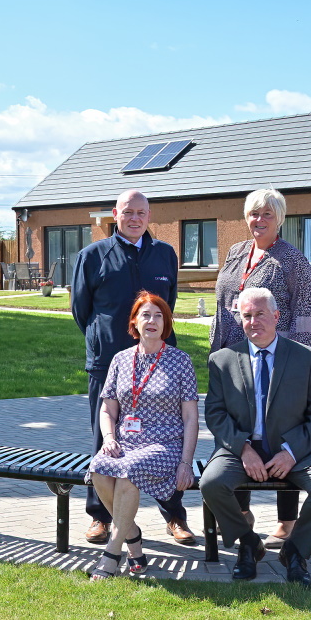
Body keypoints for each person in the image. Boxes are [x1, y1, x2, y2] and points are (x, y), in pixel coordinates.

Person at [71, 188, 196, 547]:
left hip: (159, 364)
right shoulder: (92, 256)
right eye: (128, 212)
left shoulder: (164, 255)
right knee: (105, 437)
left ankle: (174, 515)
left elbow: (165, 305)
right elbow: (82, 311)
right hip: (110, 364)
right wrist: (106, 341)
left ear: (149, 216)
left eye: (141, 212)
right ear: (116, 214)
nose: (135, 218)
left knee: (166, 436)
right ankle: (100, 516)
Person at [200, 287, 311, 586]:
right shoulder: (223, 360)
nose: (253, 322)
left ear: (276, 316)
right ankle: (249, 543)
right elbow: (215, 414)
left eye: (260, 314)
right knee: (211, 483)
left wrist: (291, 451)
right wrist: (243, 449)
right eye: (247, 316)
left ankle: (294, 550)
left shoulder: (305, 357)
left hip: (298, 450)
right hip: (240, 449)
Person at [208, 187, 311, 549]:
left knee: (280, 432)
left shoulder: (293, 261)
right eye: (254, 214)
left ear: (280, 219)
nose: (259, 220)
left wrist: (303, 362)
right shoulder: (236, 252)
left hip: (280, 363)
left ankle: (287, 523)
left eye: (266, 215)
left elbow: (306, 315)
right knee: (238, 433)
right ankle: (241, 515)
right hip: (234, 359)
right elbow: (224, 302)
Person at [85, 292, 199, 580]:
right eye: (146, 315)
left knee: (127, 473)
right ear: (134, 321)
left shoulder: (180, 361)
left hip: (165, 445)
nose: (152, 321)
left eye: (159, 316)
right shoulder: (121, 360)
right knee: (98, 469)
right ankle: (133, 535)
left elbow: (191, 417)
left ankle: (113, 552)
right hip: (125, 443)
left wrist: (186, 463)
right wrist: (109, 438)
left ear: (166, 323)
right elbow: (107, 409)